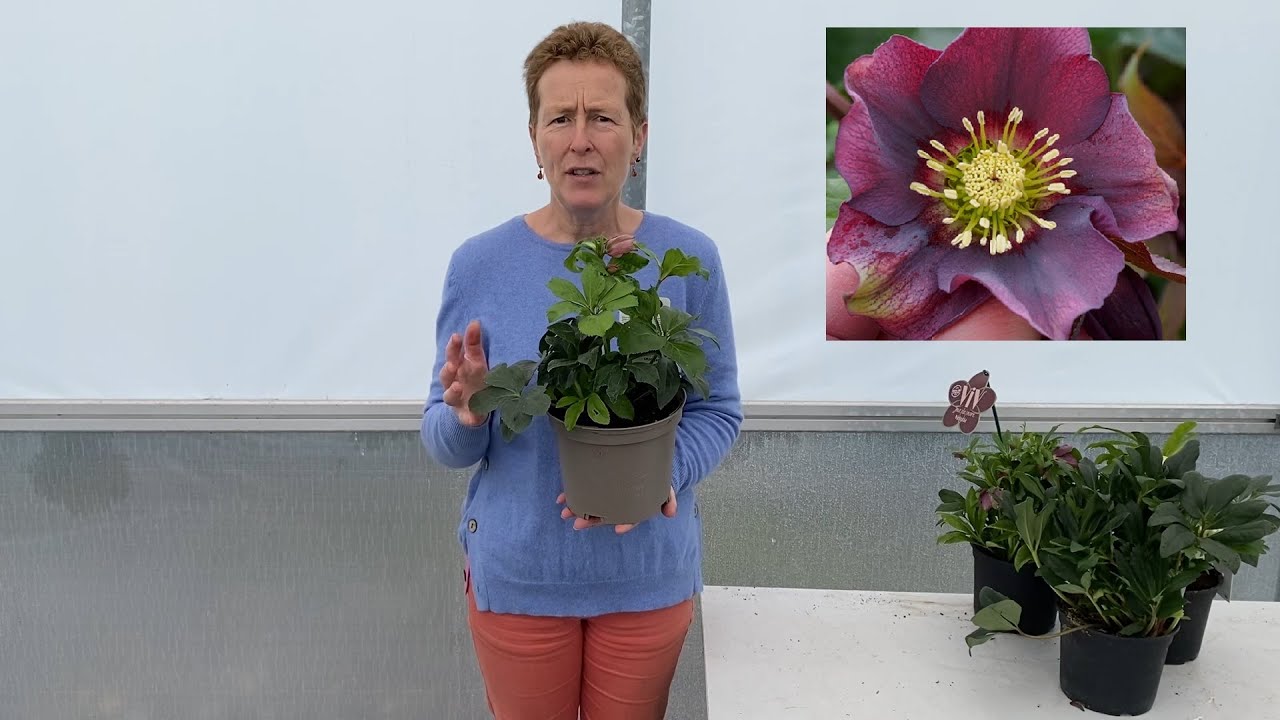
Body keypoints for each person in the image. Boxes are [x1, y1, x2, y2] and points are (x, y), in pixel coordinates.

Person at [420, 21, 742, 720]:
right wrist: (466, 413)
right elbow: (442, 442)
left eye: (603, 117)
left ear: (640, 134)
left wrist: (664, 473)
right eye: (560, 117)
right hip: (520, 579)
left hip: (647, 575)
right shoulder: (479, 264)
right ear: (534, 137)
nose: (581, 139)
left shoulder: (689, 258)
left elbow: (719, 410)